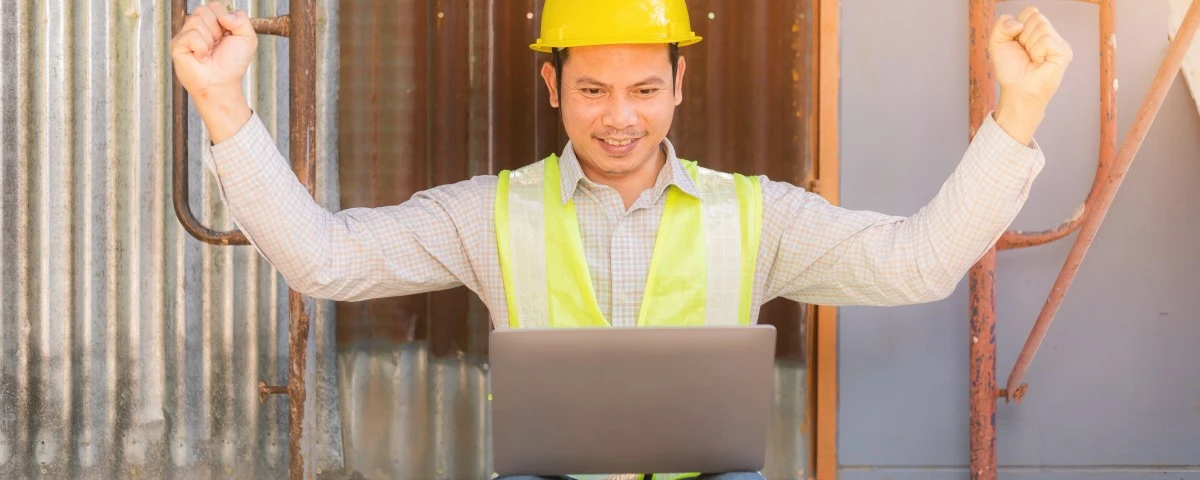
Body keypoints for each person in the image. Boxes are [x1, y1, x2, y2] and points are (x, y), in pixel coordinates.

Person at [170, 1, 1072, 478]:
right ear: (553, 87)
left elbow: (918, 265)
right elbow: (323, 260)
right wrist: (221, 101)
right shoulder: (486, 211)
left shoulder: (757, 215)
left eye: (645, 88)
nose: (620, 118)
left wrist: (1018, 111)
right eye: (594, 90)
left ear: (680, 83)